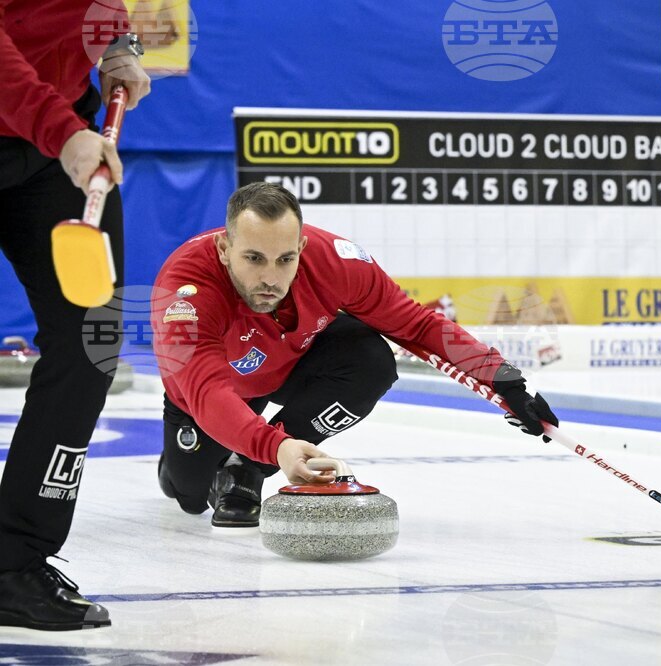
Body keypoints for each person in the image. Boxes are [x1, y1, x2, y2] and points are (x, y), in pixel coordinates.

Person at [152, 182, 558, 526]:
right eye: (254, 259)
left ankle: (247, 471)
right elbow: (208, 393)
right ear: (225, 249)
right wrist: (276, 445)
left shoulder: (336, 261)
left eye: (286, 259)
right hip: (212, 392)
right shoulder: (185, 290)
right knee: (189, 497)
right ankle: (184, 463)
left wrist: (503, 379)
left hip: (294, 361)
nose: (271, 279)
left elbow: (416, 325)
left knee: (370, 360)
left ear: (303, 247)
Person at [0, 0, 151, 630]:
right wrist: (61, 132)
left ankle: (14, 563)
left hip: (54, 135)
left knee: (90, 342)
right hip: (52, 129)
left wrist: (116, 45)